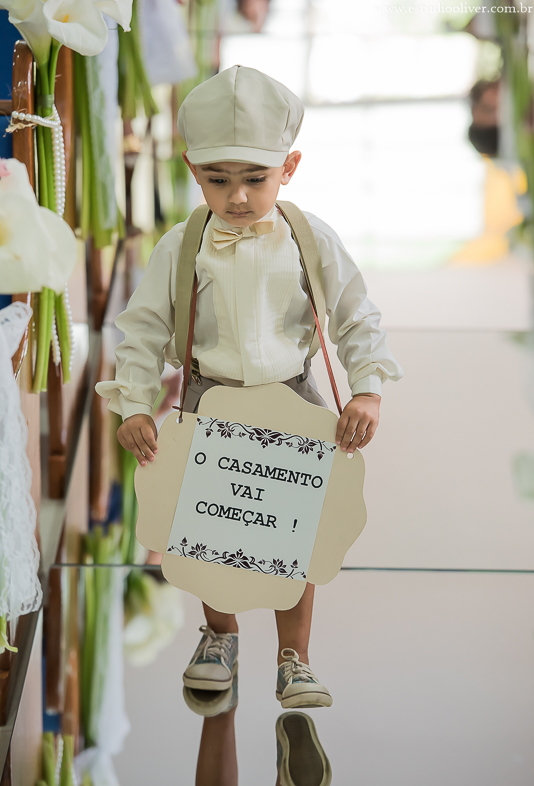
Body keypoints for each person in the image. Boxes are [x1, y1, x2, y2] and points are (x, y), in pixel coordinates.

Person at [96, 65, 404, 710]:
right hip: (209, 400)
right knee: (211, 525)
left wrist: (366, 387)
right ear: (191, 169)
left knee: (295, 530)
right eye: (218, 180)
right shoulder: (181, 246)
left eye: (255, 179)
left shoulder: (309, 238)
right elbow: (144, 327)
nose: (237, 197)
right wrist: (132, 402)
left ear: (288, 167)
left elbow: (354, 313)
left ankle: (295, 656)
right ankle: (219, 635)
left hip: (293, 399)